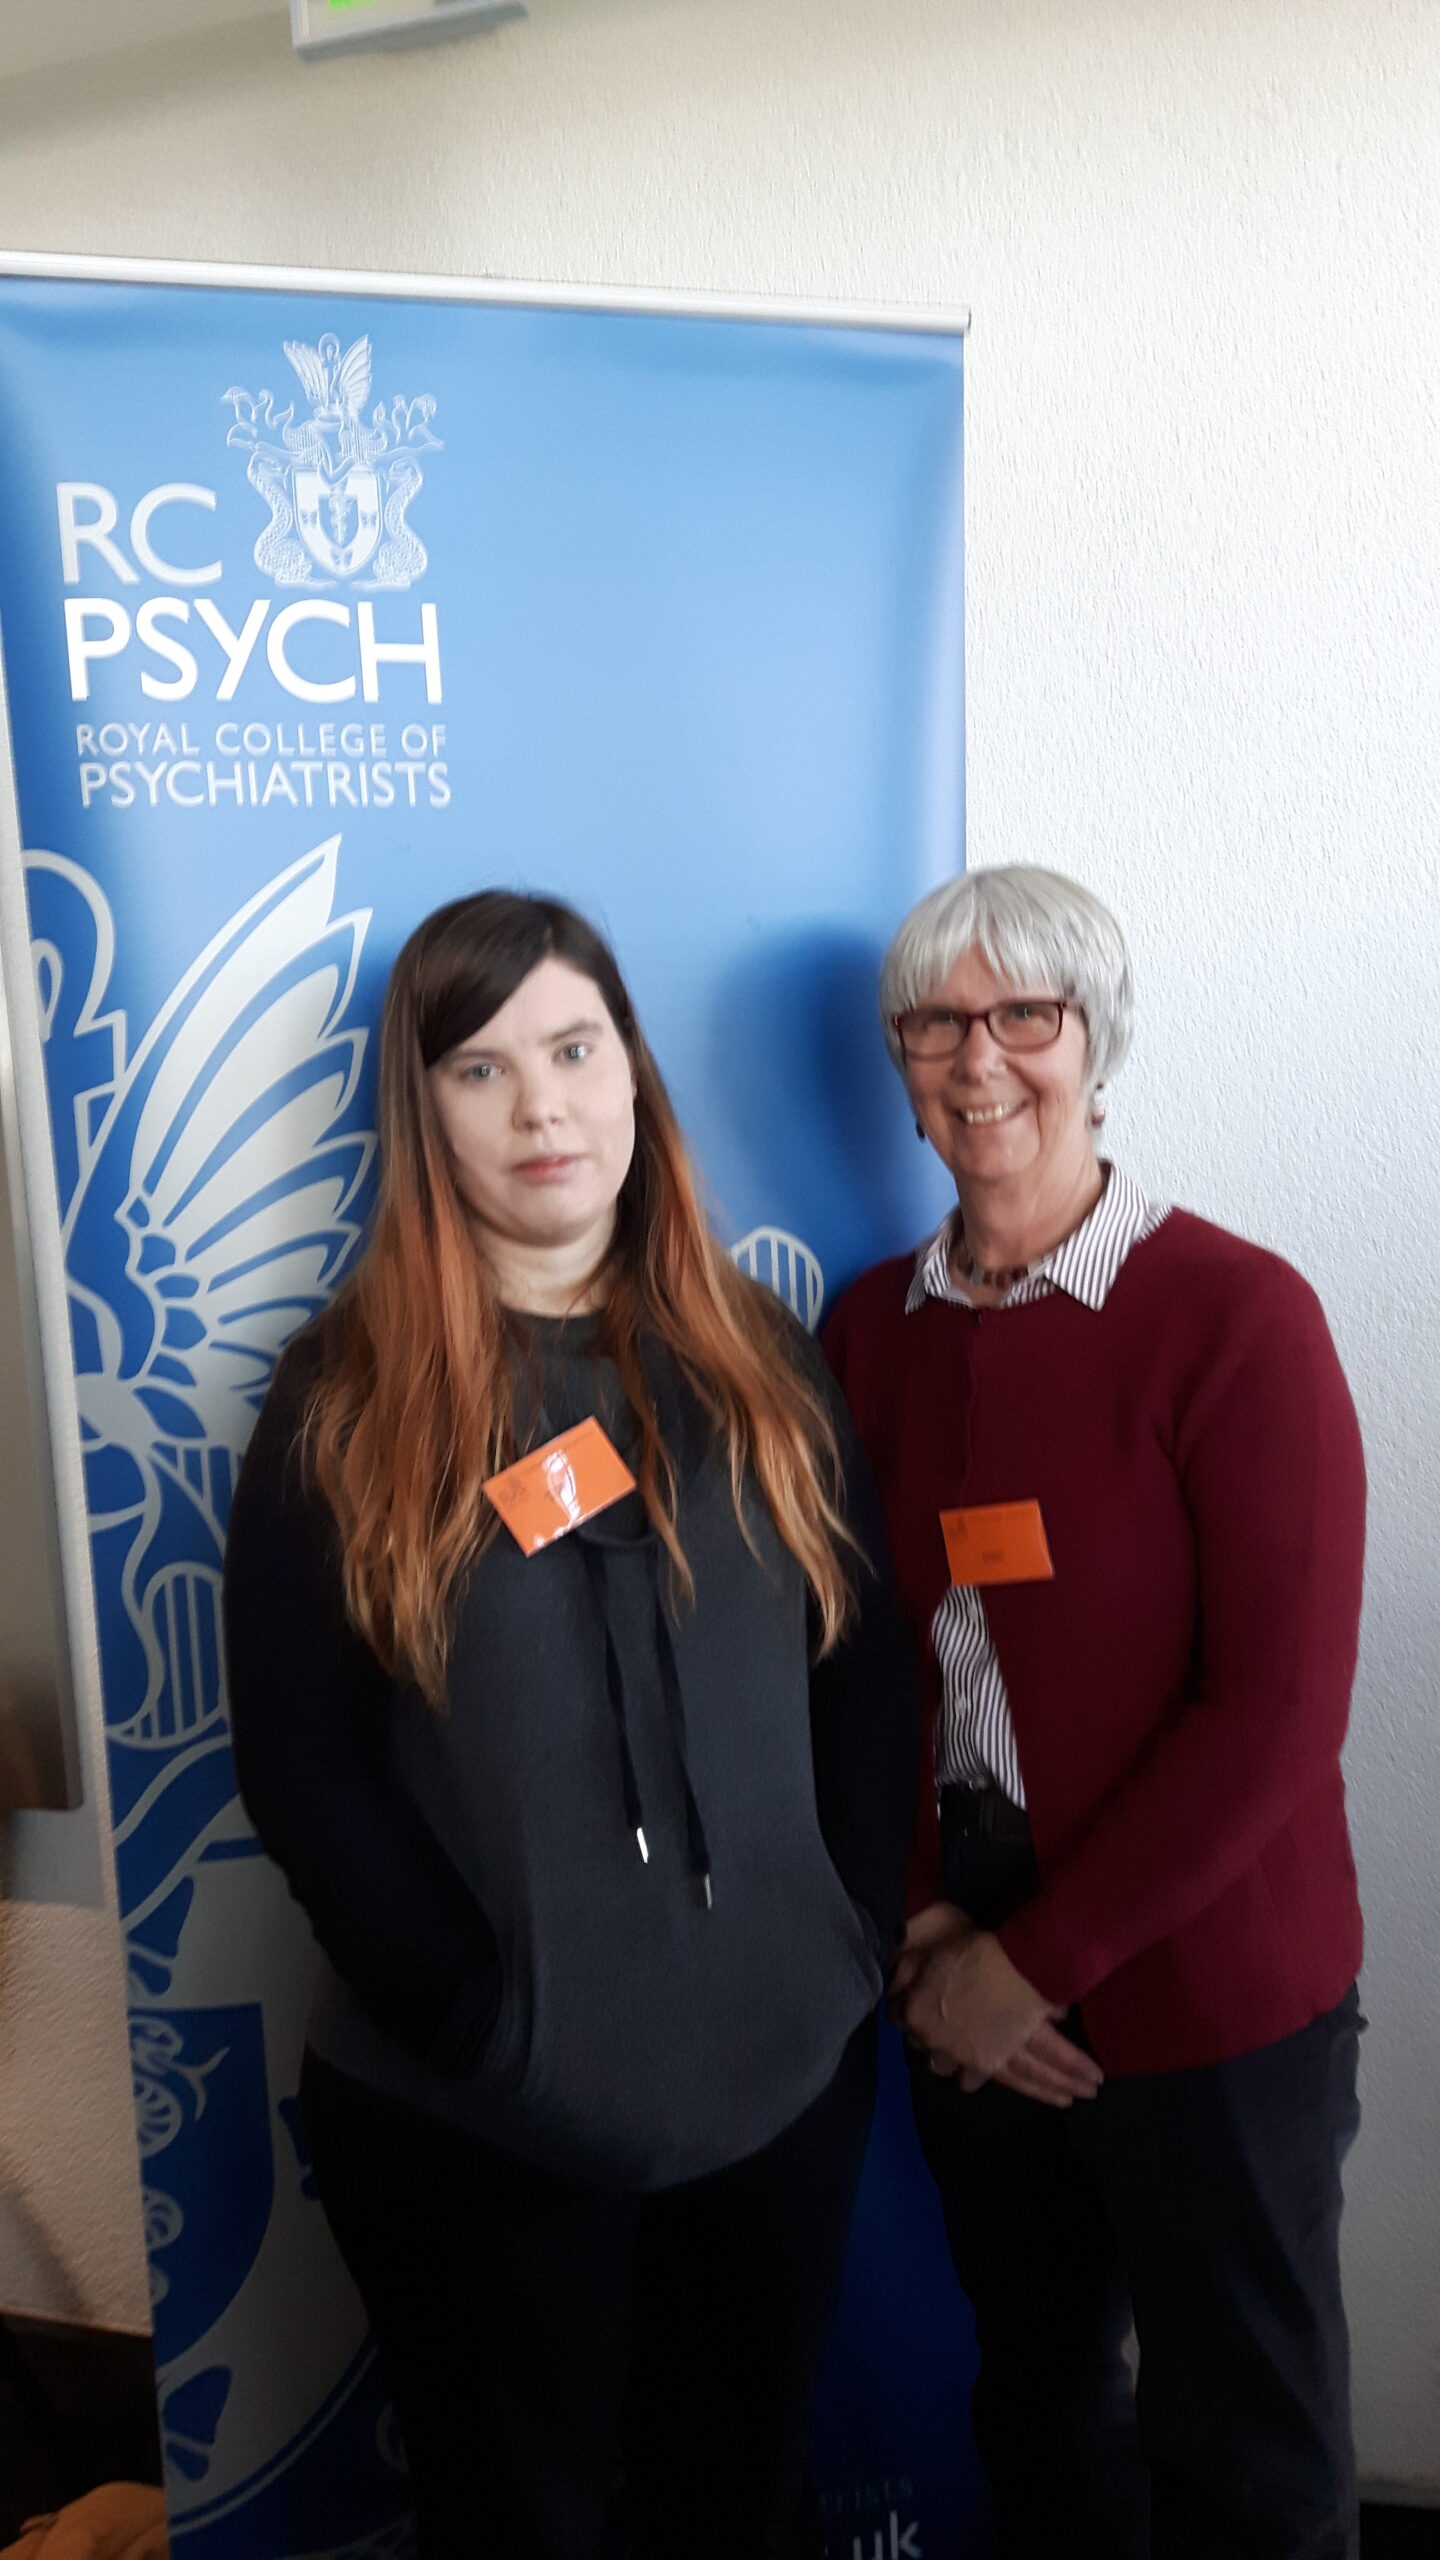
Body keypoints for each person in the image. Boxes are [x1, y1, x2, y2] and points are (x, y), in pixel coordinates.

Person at [223, 891, 914, 2560]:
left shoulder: (761, 1358)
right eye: (480, 1067)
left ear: (632, 1077)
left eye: (573, 1048)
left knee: (736, 2500)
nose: (540, 1105)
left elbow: (865, 1660)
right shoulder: (345, 1400)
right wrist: (483, 2023)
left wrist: (849, 1943)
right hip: (486, 2117)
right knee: (518, 2523)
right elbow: (306, 1771)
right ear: (425, 1111)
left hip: (772, 2086)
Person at [822, 865, 1366, 2560]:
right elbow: (850, 1657)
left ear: (1092, 1041)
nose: (980, 1060)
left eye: (1024, 1018)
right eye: (936, 1023)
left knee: (1247, 2450)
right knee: (1042, 2414)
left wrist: (1026, 1971)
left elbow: (1276, 1713)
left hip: (1207, 2001)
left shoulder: (1235, 1316)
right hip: (959, 1979)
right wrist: (924, 1933)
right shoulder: (862, 1331)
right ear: (901, 1059)